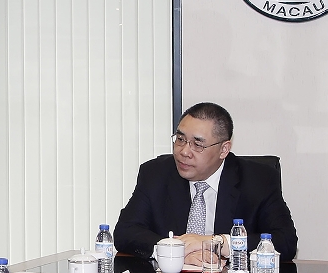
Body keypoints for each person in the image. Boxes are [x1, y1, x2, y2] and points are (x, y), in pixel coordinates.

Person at [115, 102, 298, 262]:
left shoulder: (258, 180)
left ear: (223, 149)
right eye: (180, 139)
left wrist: (216, 243)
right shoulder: (155, 174)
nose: (184, 151)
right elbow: (125, 232)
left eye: (198, 144)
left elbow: (285, 241)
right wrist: (174, 250)